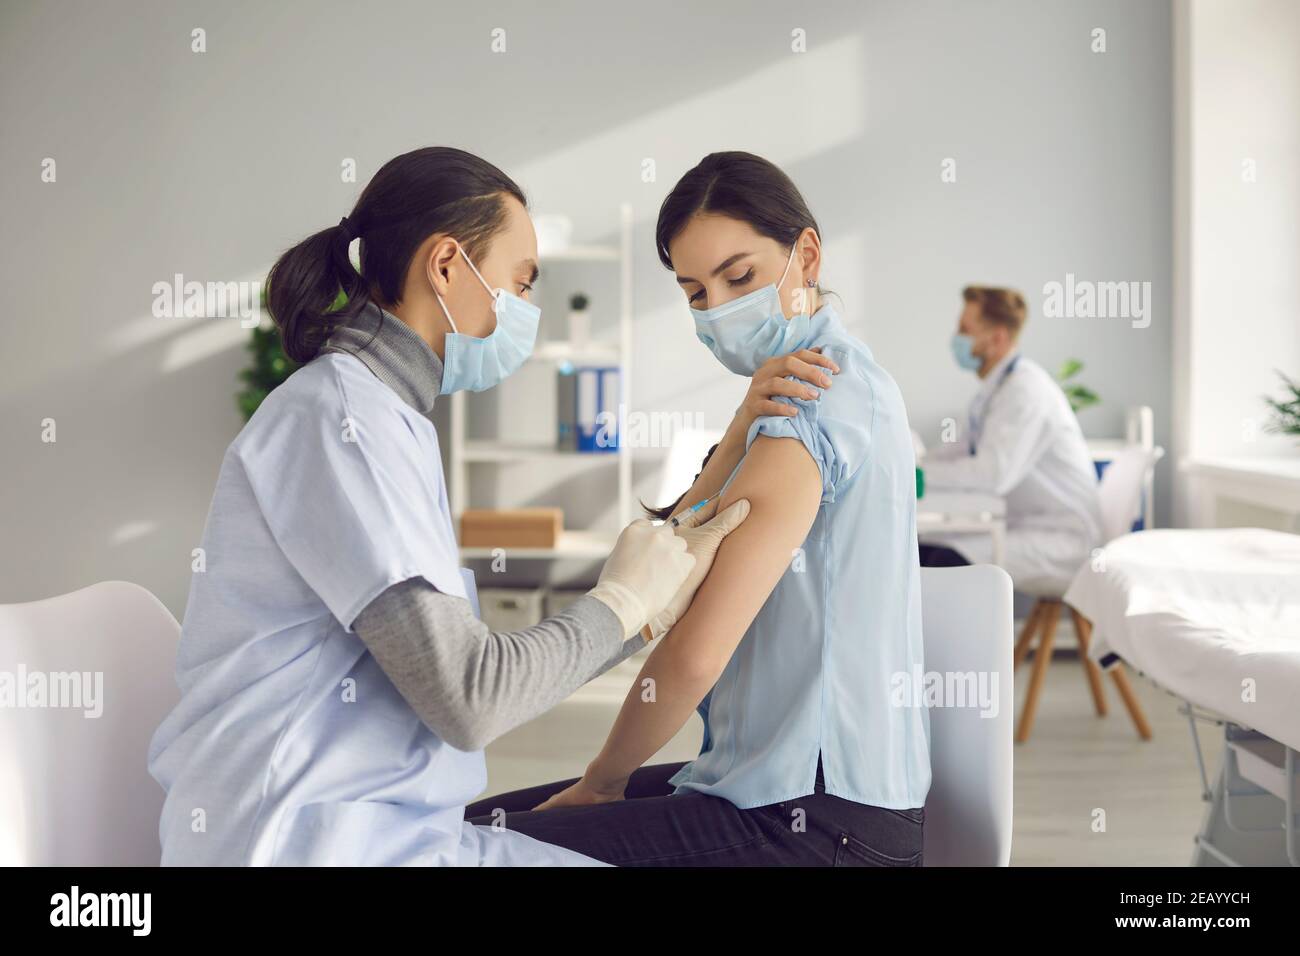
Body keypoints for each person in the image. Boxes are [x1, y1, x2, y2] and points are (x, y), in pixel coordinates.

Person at [146, 146, 757, 866]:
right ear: (444, 267)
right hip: (306, 842)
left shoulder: (386, 416)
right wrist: (621, 603)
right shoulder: (342, 420)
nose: (526, 310)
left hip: (380, 830)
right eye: (520, 284)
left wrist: (640, 613)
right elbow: (471, 697)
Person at [465, 152, 931, 867]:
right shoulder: (795, 395)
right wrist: (742, 420)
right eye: (695, 291)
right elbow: (678, 553)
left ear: (805, 255)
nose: (717, 308)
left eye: (739, 277)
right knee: (473, 825)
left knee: (463, 849)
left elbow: (694, 650)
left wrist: (603, 782)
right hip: (781, 796)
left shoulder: (814, 398)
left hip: (817, 822)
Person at [919, 286, 1103, 594]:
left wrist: (920, 475)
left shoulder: (1025, 392)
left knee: (940, 561)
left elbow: (992, 475)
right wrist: (915, 462)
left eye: (965, 329)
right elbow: (960, 451)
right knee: (924, 548)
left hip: (1061, 540)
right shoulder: (997, 390)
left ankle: (962, 644)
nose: (957, 338)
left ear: (998, 338)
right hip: (1023, 525)